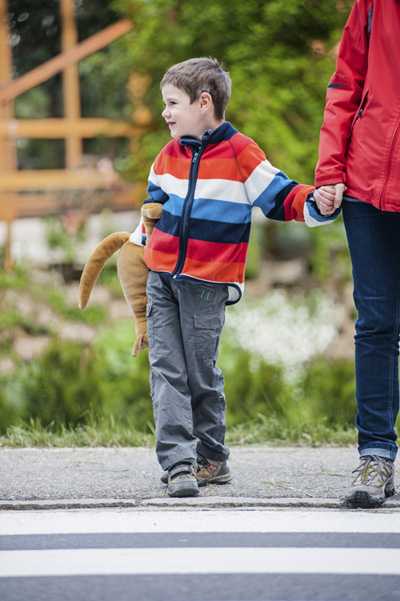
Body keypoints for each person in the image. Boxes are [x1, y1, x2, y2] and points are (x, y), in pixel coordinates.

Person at [131, 57, 337, 497]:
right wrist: (137, 251)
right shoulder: (167, 155)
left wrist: (319, 203)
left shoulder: (241, 153)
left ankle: (211, 458)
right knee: (166, 368)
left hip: (207, 285)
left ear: (203, 102)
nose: (165, 113)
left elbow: (282, 197)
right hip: (161, 278)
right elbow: (150, 212)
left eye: (172, 103)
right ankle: (179, 463)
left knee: (200, 373)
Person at [314, 0, 399, 507]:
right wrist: (330, 170)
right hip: (368, 182)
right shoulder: (372, 4)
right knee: (376, 322)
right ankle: (375, 455)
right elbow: (345, 84)